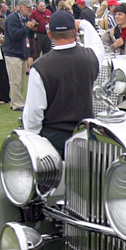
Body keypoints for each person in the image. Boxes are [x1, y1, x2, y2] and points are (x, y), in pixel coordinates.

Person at [23, 10, 99, 157]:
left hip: (54, 139)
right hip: (85, 135)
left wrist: (34, 138)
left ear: (50, 34)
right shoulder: (91, 57)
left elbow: (33, 113)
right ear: (75, 32)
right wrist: (84, 23)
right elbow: (96, 42)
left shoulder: (40, 67)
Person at [3, 0, 32, 111]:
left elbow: (28, 35)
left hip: (22, 51)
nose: (30, 10)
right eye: (28, 8)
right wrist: (26, 28)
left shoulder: (26, 18)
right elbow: (14, 35)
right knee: (15, 80)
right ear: (21, 7)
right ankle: (17, 104)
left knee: (21, 80)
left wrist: (32, 29)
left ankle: (18, 101)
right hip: (13, 52)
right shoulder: (12, 18)